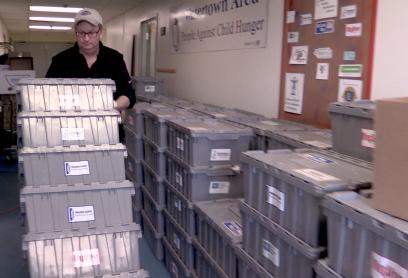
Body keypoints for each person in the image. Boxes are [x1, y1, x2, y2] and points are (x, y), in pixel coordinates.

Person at [46, 8, 135, 110]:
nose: (86, 38)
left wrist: (112, 105)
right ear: (75, 33)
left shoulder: (115, 59)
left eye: (92, 33)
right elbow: (47, 94)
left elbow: (129, 95)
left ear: (100, 32)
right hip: (71, 123)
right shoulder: (60, 61)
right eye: (81, 33)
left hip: (106, 123)